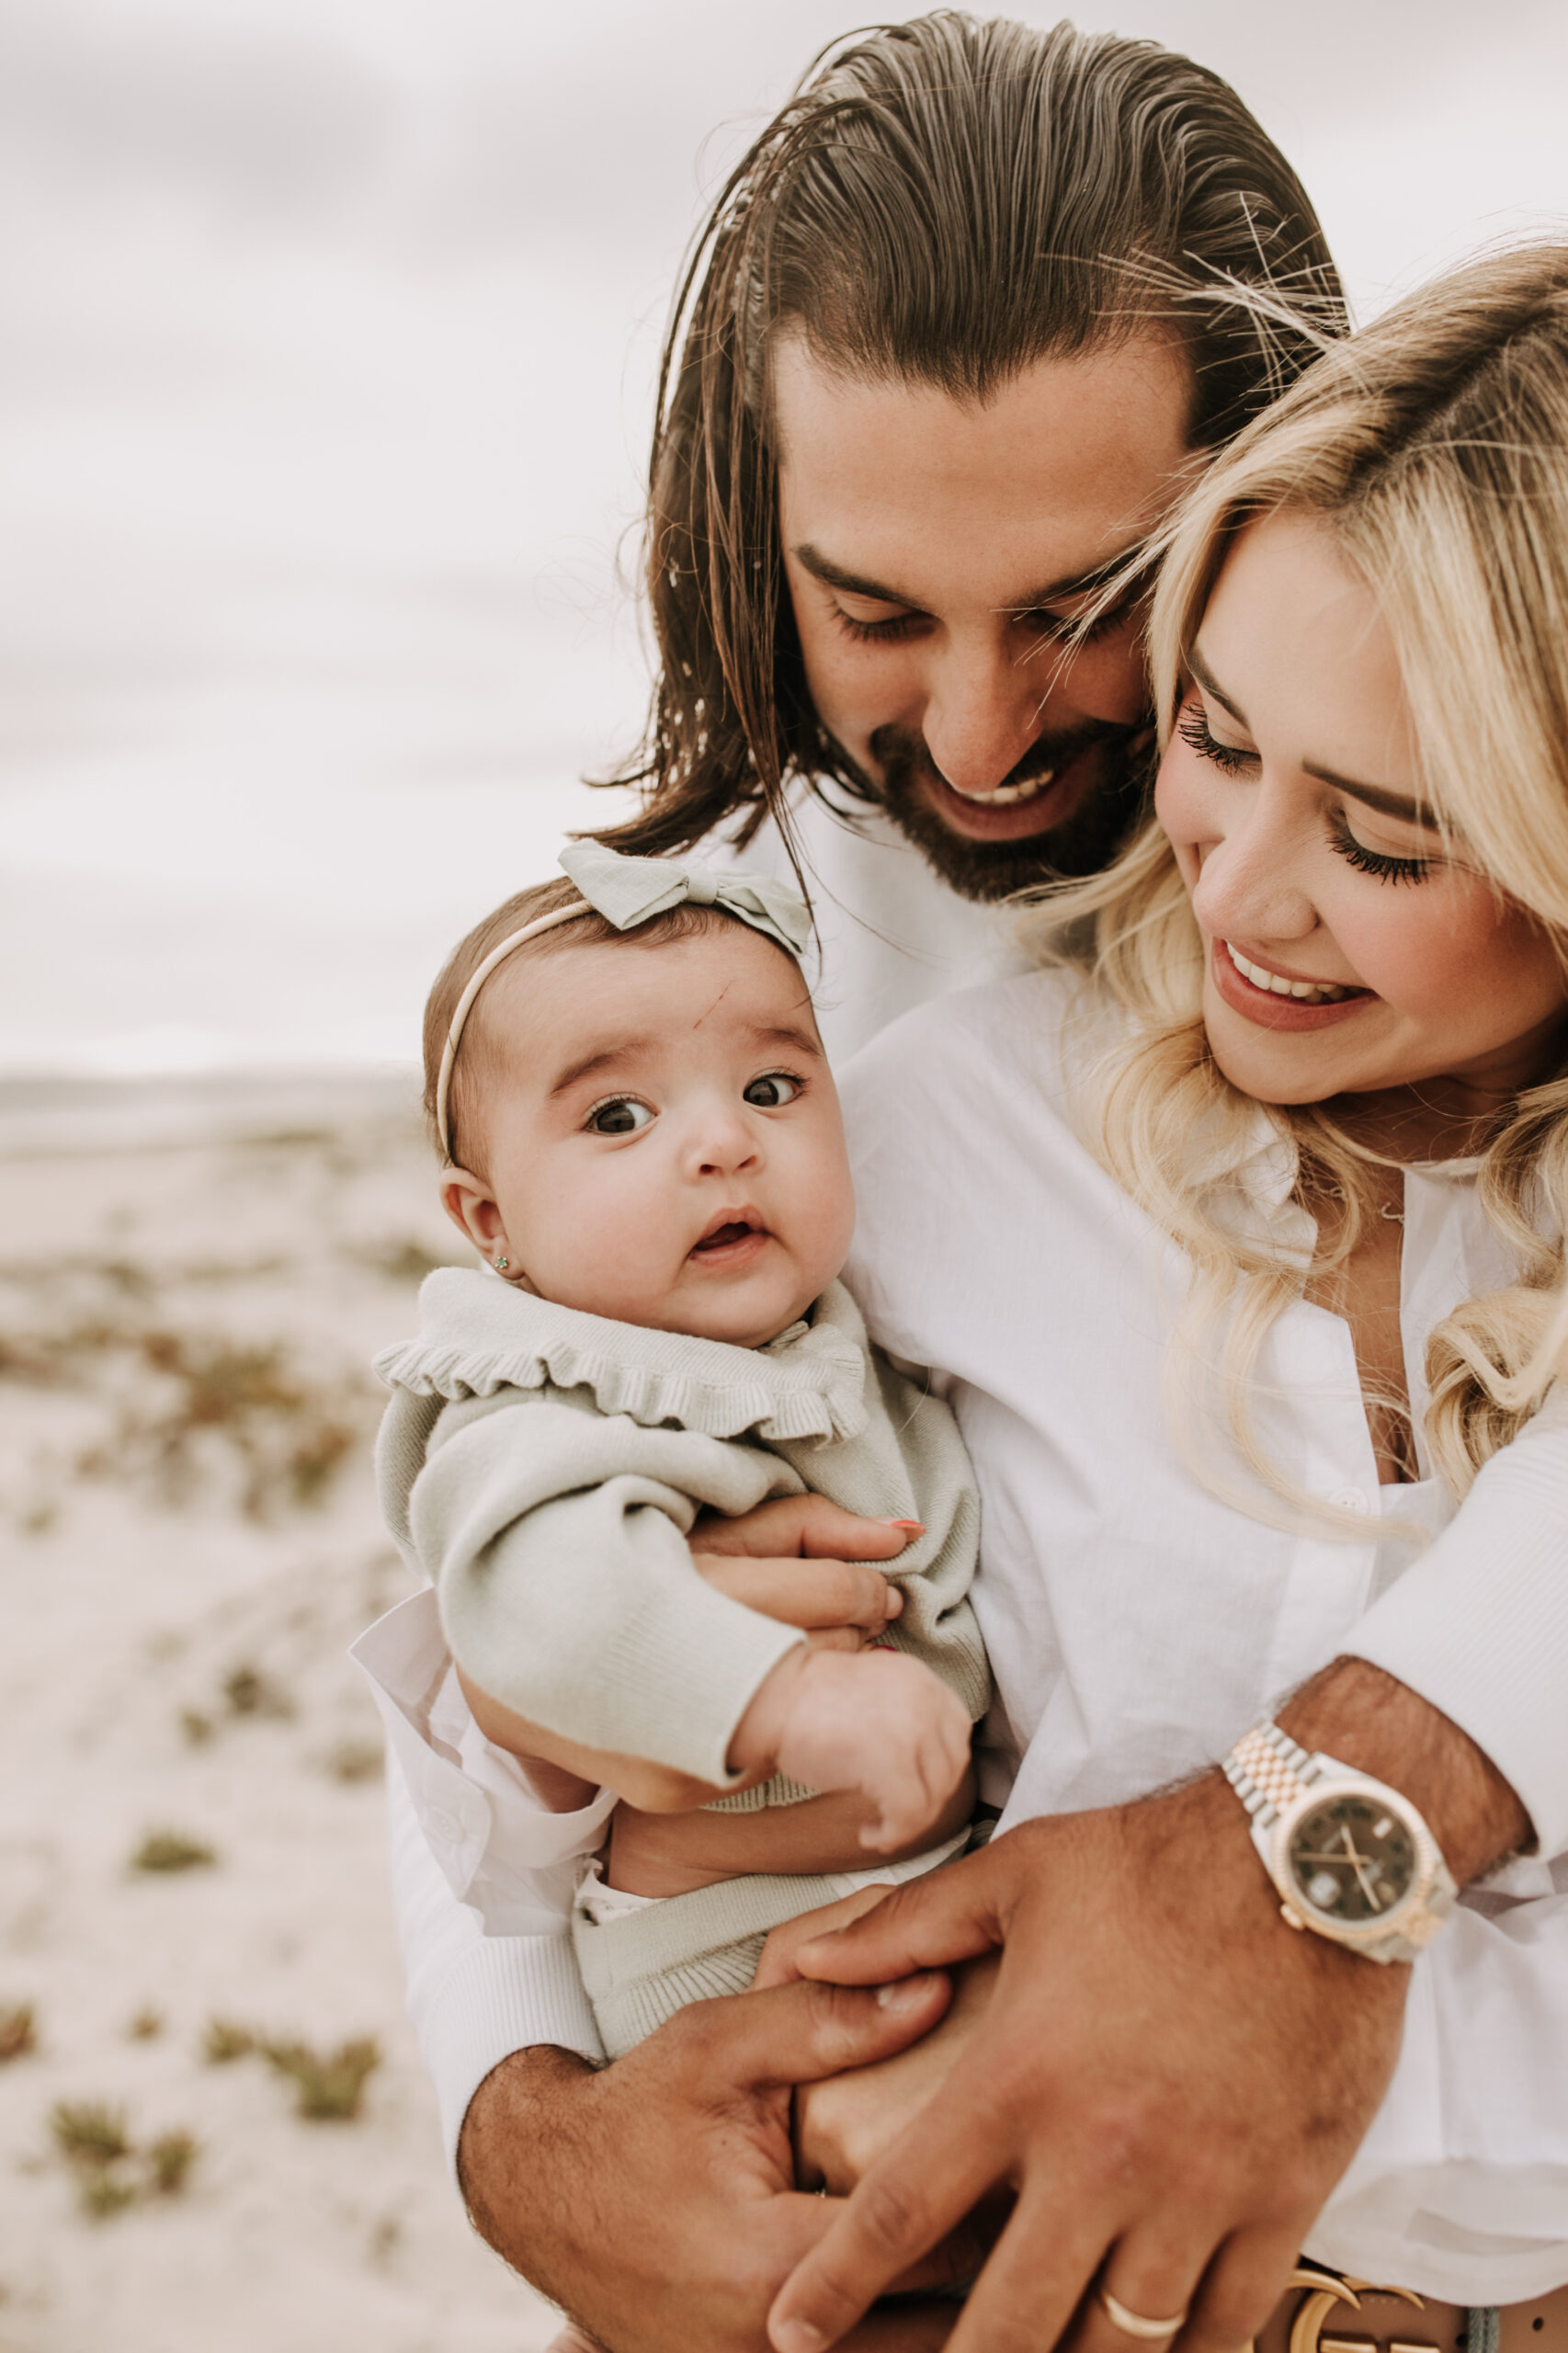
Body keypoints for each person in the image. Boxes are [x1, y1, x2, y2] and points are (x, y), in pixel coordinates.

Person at [348, 18, 1547, 2352]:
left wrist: (1309, 1851)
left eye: (1089, 607)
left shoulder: (1449, 763)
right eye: (876, 609)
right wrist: (517, 2123)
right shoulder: (715, 1010)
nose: (985, 737)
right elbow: (486, 1571)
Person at [762, 240, 1568, 2348]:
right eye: (1213, 734)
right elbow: (548, 1654)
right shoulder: (936, 1136)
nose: (1234, 880)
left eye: (1389, 838)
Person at [373, 841, 986, 2063]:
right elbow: (537, 1596)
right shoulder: (548, 1397)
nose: (723, 1143)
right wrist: (788, 1692)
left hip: (916, 1883)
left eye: (771, 1090)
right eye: (617, 1115)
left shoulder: (816, 1336)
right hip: (716, 1947)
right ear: (491, 1224)